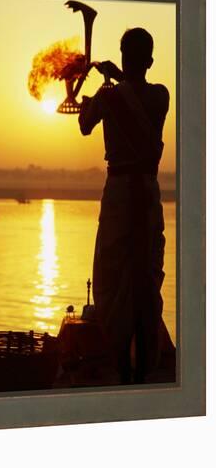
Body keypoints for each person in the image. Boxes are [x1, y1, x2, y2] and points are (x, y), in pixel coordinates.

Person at [78, 28, 169, 384]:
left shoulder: (109, 96)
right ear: (149, 61)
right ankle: (145, 367)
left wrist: (93, 99)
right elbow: (135, 95)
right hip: (147, 195)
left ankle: (121, 364)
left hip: (118, 197)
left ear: (124, 57)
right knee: (145, 278)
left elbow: (85, 125)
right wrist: (115, 80)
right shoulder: (160, 95)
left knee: (113, 280)